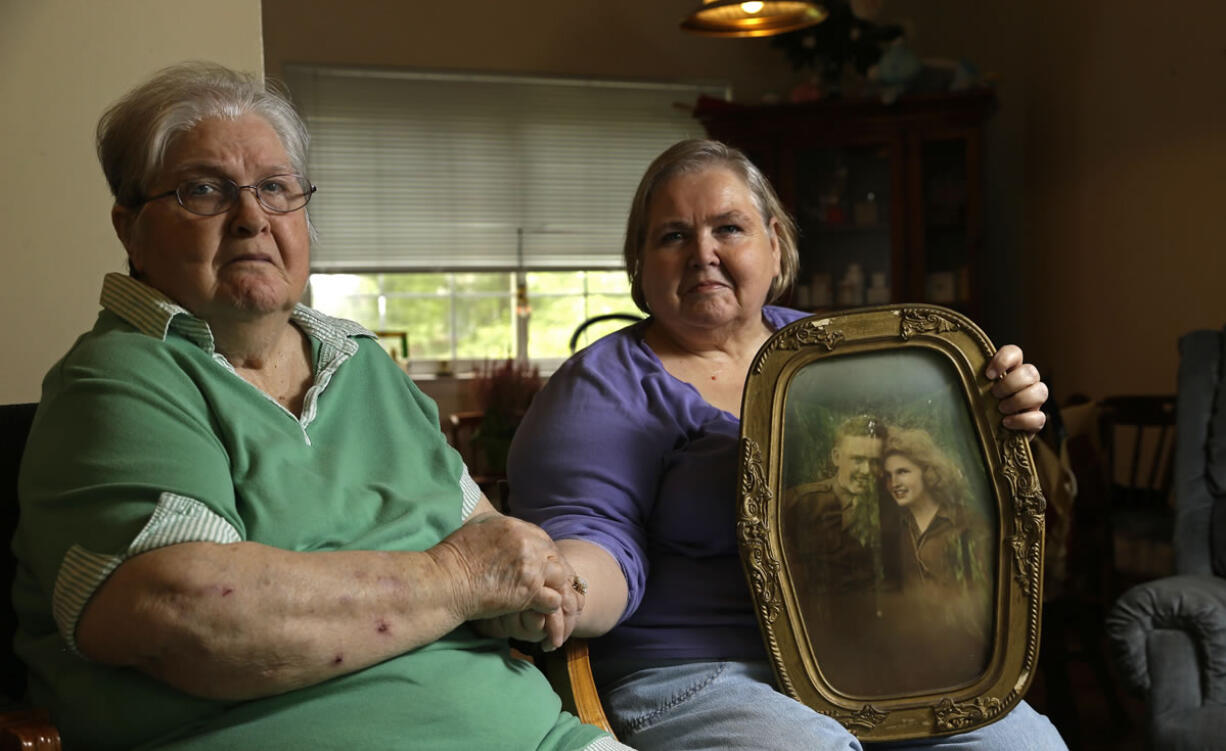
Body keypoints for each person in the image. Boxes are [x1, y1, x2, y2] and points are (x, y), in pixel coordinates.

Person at [11, 62, 630, 751]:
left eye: (276, 188)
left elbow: (492, 551)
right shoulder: (118, 377)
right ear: (131, 229)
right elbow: (191, 620)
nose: (251, 218)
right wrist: (451, 580)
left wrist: (517, 601)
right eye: (204, 190)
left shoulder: (364, 365)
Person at [506, 139, 1065, 749]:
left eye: (729, 227)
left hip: (865, 660)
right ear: (640, 264)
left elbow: (929, 483)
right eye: (672, 236)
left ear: (775, 244)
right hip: (691, 673)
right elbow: (598, 541)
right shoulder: (600, 387)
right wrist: (564, 586)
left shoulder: (832, 354)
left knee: (1024, 744)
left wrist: (993, 409)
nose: (703, 254)